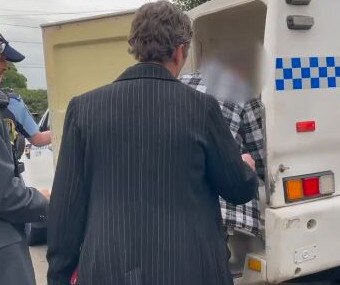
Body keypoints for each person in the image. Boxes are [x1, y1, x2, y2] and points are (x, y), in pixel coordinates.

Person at [46, 2, 258, 285]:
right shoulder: (201, 109)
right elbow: (237, 189)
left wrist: (58, 277)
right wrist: (246, 167)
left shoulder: (83, 109)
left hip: (109, 271)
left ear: (135, 46)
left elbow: (65, 210)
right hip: (192, 271)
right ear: (181, 50)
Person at [180, 50, 265, 240]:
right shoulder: (243, 90)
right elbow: (260, 153)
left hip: (183, 201)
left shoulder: (181, 82)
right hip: (224, 205)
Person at [0, 33, 50, 285]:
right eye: (1, 58)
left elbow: (38, 138)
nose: (5, 66)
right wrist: (43, 198)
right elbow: (6, 196)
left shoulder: (10, 103)